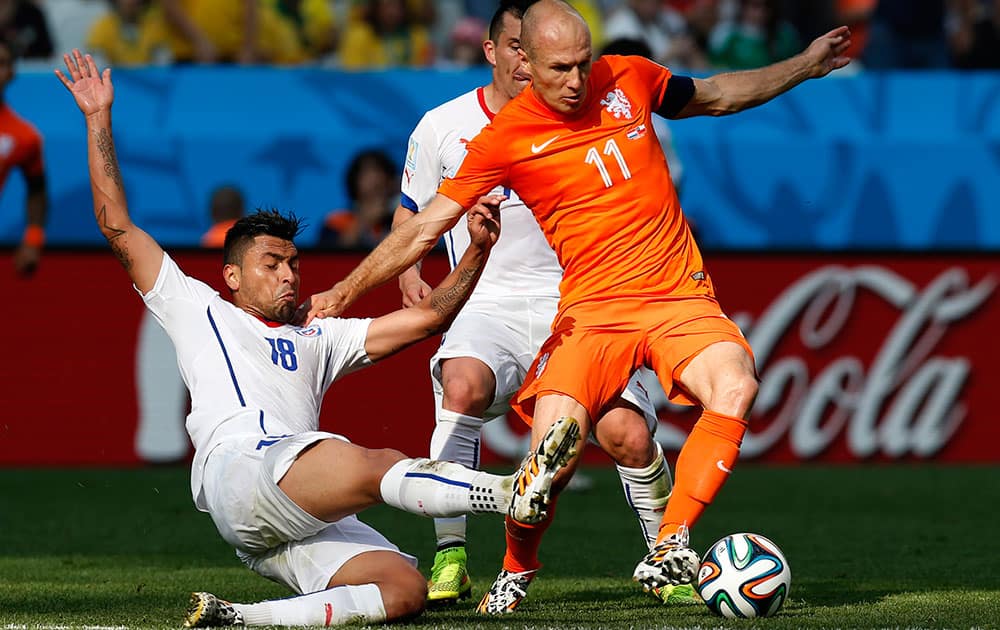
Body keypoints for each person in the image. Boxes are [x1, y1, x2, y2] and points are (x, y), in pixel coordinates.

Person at [299, 0, 852, 611]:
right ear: (524, 62)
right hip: (591, 311)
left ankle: (669, 546)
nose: (575, 80)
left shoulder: (630, 77)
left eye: (583, 63)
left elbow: (718, 93)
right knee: (550, 456)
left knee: (733, 386)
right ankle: (514, 567)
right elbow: (423, 225)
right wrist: (344, 291)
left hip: (676, 295)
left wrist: (803, 64)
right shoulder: (502, 138)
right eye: (559, 67)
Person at [55, 48, 579, 628]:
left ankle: (238, 618)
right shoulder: (199, 307)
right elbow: (116, 225)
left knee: (402, 589)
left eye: (293, 263)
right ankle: (509, 493)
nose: (288, 274)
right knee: (372, 463)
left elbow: (427, 319)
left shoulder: (318, 335)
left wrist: (477, 252)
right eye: (271, 262)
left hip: (286, 513)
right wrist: (97, 119)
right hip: (242, 470)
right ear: (230, 276)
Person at [393, 0, 679, 611]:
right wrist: (410, 270)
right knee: (461, 387)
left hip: (577, 300)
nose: (532, 62)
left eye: (542, 51)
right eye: (520, 48)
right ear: (496, 51)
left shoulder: (585, 112)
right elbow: (413, 212)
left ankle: (668, 557)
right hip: (485, 301)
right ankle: (451, 556)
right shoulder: (442, 125)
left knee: (627, 434)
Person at [0, 38, 47, 277]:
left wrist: (33, 237)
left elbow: (37, 188)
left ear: (10, 73)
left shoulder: (23, 136)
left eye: (1, 63)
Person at [316, 149, 397, 250]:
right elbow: (328, 260)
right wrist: (365, 221)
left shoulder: (401, 221)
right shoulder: (336, 222)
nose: (376, 180)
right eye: (367, 173)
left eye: (381, 172)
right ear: (354, 182)